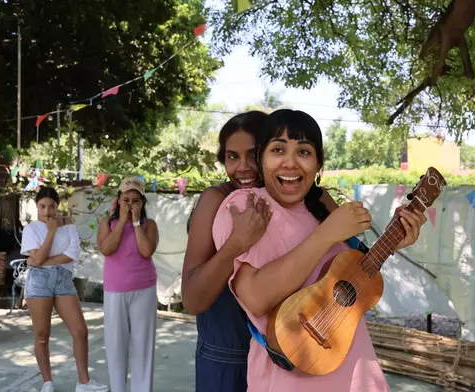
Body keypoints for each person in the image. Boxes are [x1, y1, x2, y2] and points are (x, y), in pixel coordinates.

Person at [211, 109, 427, 391]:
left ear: (318, 163)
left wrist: (392, 243)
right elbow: (254, 298)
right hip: (288, 381)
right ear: (261, 158)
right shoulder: (245, 206)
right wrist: (327, 234)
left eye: (304, 152)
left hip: (357, 374)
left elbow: (350, 283)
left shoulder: (323, 209)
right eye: (278, 150)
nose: (290, 163)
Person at [181, 110, 341, 392]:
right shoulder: (217, 201)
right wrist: (234, 246)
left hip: (297, 352)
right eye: (232, 156)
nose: (243, 167)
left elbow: (349, 263)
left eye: (253, 155)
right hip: (228, 356)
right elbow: (192, 301)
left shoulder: (312, 198)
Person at [20, 187, 109, 392]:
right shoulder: (31, 229)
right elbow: (39, 259)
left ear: (57, 206)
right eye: (42, 206)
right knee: (42, 334)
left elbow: (71, 254)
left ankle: (84, 383)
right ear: (37, 206)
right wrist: (51, 233)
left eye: (52, 206)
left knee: (80, 331)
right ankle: (47, 382)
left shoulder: (68, 225)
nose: (47, 211)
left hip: (64, 280)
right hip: (39, 282)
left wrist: (41, 260)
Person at [97, 176, 159, 392]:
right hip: (115, 290)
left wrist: (135, 223)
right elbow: (106, 249)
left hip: (144, 289)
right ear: (118, 201)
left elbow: (146, 251)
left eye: (135, 200)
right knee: (116, 346)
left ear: (142, 203)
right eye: (126, 200)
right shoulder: (107, 223)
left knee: (143, 346)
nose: (130, 204)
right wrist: (122, 221)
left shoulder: (149, 225)